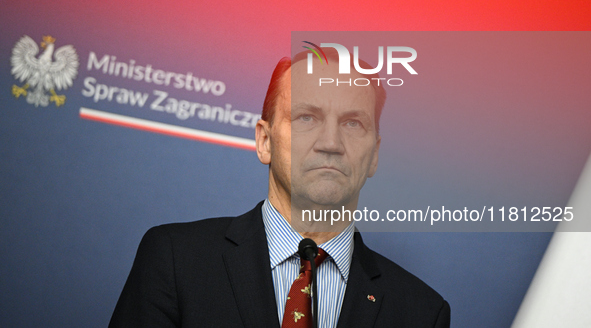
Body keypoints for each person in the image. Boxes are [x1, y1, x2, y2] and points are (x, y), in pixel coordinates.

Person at [109, 50, 451, 327]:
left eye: (352, 122)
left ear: (374, 155)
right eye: (306, 118)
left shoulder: (422, 313)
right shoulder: (175, 261)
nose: (331, 142)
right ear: (264, 141)